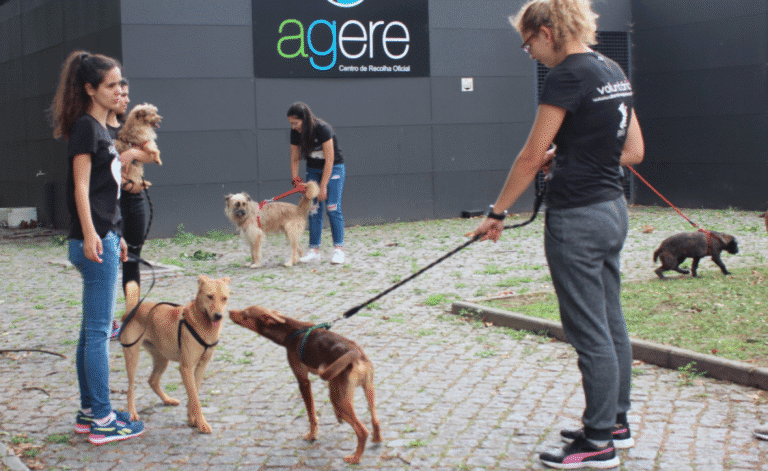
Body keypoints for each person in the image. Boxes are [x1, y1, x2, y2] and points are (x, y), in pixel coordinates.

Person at [467, 0, 645, 468]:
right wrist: (572, 155)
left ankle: (599, 442)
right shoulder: (611, 68)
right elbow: (634, 150)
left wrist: (498, 212)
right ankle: (617, 423)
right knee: (611, 321)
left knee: (589, 331)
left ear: (546, 31)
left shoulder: (566, 75)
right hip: (612, 211)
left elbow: (530, 153)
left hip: (578, 220)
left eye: (527, 43)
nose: (529, 52)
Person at [49, 50, 144, 444]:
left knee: (91, 332)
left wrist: (114, 232)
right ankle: (103, 420)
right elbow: (81, 187)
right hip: (91, 241)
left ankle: (90, 412)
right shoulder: (86, 128)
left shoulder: (101, 129)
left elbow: (105, 194)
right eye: (111, 85)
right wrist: (92, 234)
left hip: (103, 237)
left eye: (121, 83)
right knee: (98, 333)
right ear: (90, 89)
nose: (119, 90)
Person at [107, 78, 155, 338]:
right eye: (120, 93)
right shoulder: (99, 128)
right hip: (109, 203)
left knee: (132, 260)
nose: (125, 98)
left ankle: (131, 317)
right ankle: (106, 319)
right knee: (108, 263)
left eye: (127, 94)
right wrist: (127, 185)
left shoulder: (133, 126)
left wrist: (133, 154)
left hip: (135, 204)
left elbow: (151, 153)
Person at [287, 102, 346, 264]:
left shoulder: (322, 128)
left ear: (304, 119)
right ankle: (314, 250)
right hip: (313, 169)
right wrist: (296, 180)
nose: (293, 127)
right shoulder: (295, 133)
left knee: (332, 207)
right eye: (290, 123)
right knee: (313, 209)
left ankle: (338, 250)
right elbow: (295, 158)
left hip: (333, 168)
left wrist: (324, 186)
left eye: (295, 123)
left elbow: (330, 159)